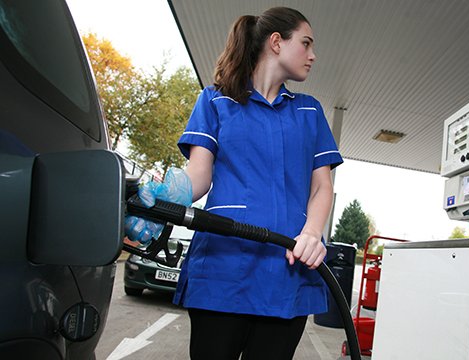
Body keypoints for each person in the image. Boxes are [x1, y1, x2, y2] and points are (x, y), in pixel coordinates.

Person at [127, 6, 342, 359]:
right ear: (276, 42)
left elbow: (322, 187)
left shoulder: (309, 112)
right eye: (306, 43)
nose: (313, 55)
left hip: (286, 275)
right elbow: (199, 175)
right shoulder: (214, 100)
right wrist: (164, 200)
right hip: (222, 271)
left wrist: (311, 233)